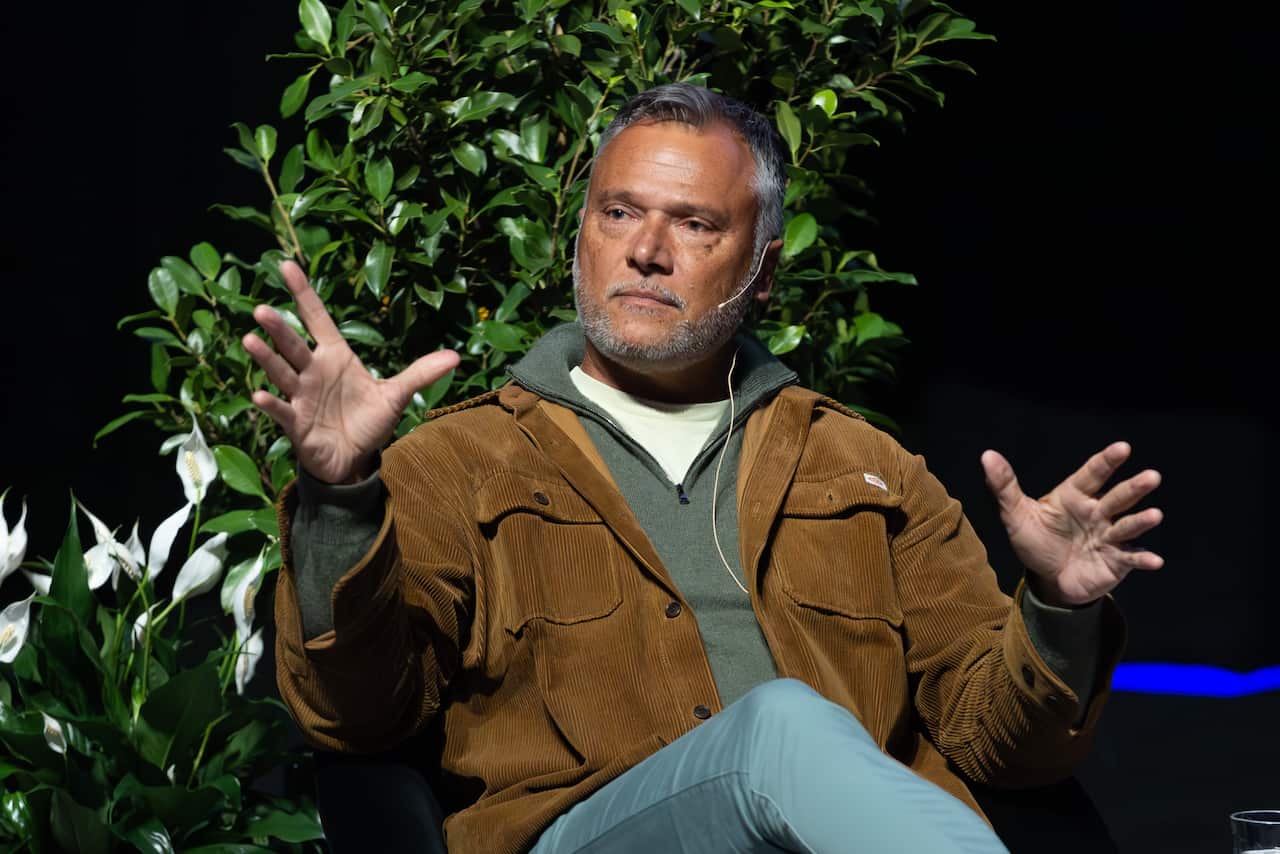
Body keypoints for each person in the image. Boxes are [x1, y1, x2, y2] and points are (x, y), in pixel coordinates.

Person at [245, 84, 1163, 854]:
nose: (646, 250)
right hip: (587, 834)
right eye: (618, 213)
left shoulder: (864, 467)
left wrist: (1056, 606)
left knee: (791, 738)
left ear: (763, 271)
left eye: (693, 222)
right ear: (581, 236)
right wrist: (340, 497)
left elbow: (1006, 751)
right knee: (781, 728)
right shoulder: (458, 460)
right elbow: (355, 720)